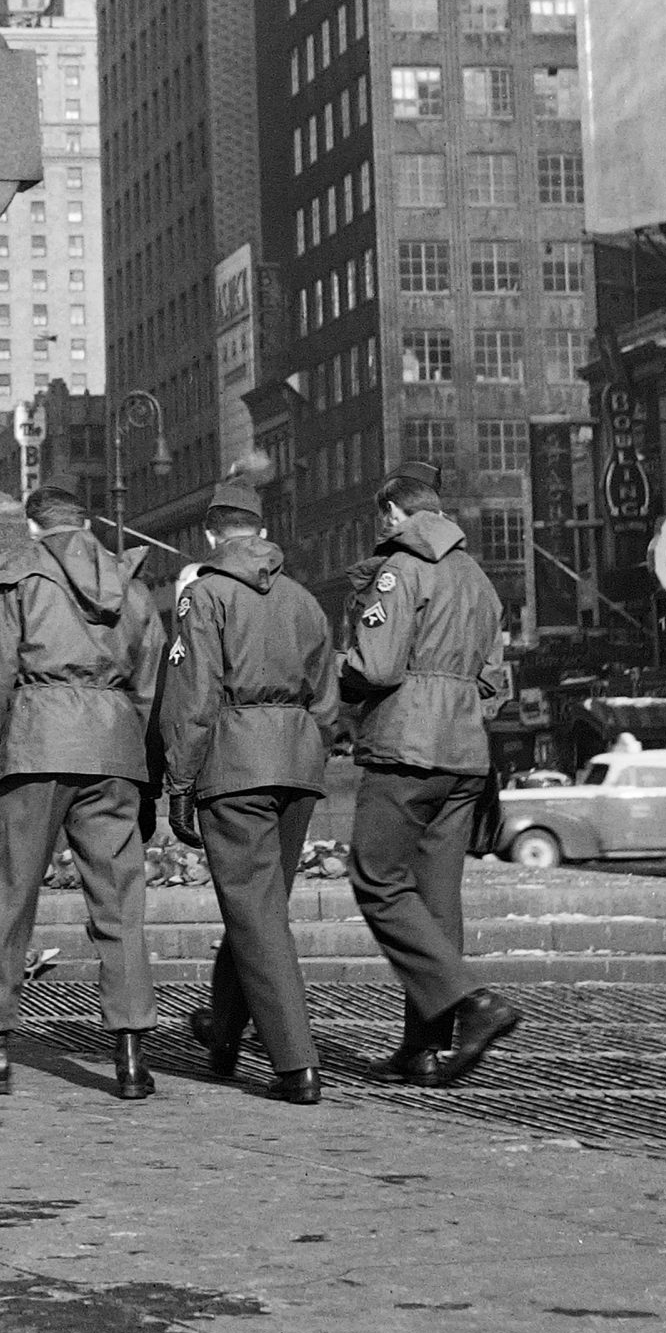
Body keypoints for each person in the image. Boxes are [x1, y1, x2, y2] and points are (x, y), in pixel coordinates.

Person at [0, 482, 166, 1101]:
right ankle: (130, 1056)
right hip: (114, 748)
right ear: (85, 523)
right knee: (119, 903)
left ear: (33, 526)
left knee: (11, 896)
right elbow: (148, 687)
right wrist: (137, 763)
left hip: (38, 744)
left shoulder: (18, 576)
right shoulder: (132, 586)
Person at [162, 477, 340, 1105]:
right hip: (296, 761)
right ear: (261, 531)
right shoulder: (303, 598)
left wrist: (180, 779)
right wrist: (306, 741)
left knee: (256, 915)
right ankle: (223, 1035)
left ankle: (296, 1062)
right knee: (259, 909)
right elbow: (326, 694)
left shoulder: (204, 596)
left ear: (211, 531)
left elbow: (194, 695)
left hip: (235, 760)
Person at [341, 460, 519, 1087]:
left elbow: (378, 665)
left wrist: (339, 673)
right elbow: (496, 684)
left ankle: (473, 1003)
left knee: (376, 877)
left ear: (393, 513)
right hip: (465, 752)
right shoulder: (480, 580)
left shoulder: (400, 569)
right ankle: (423, 1048)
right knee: (437, 901)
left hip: (407, 745)